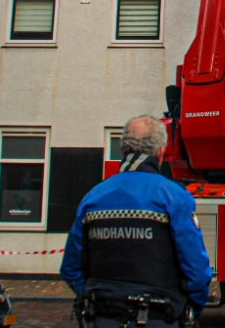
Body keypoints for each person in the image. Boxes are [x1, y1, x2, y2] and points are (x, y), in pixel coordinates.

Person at [60, 115, 212, 327]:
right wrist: (186, 311)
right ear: (160, 153)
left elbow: (70, 268)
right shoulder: (173, 197)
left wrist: (94, 300)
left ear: (124, 149)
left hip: (102, 317)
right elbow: (196, 271)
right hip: (159, 317)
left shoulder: (93, 197)